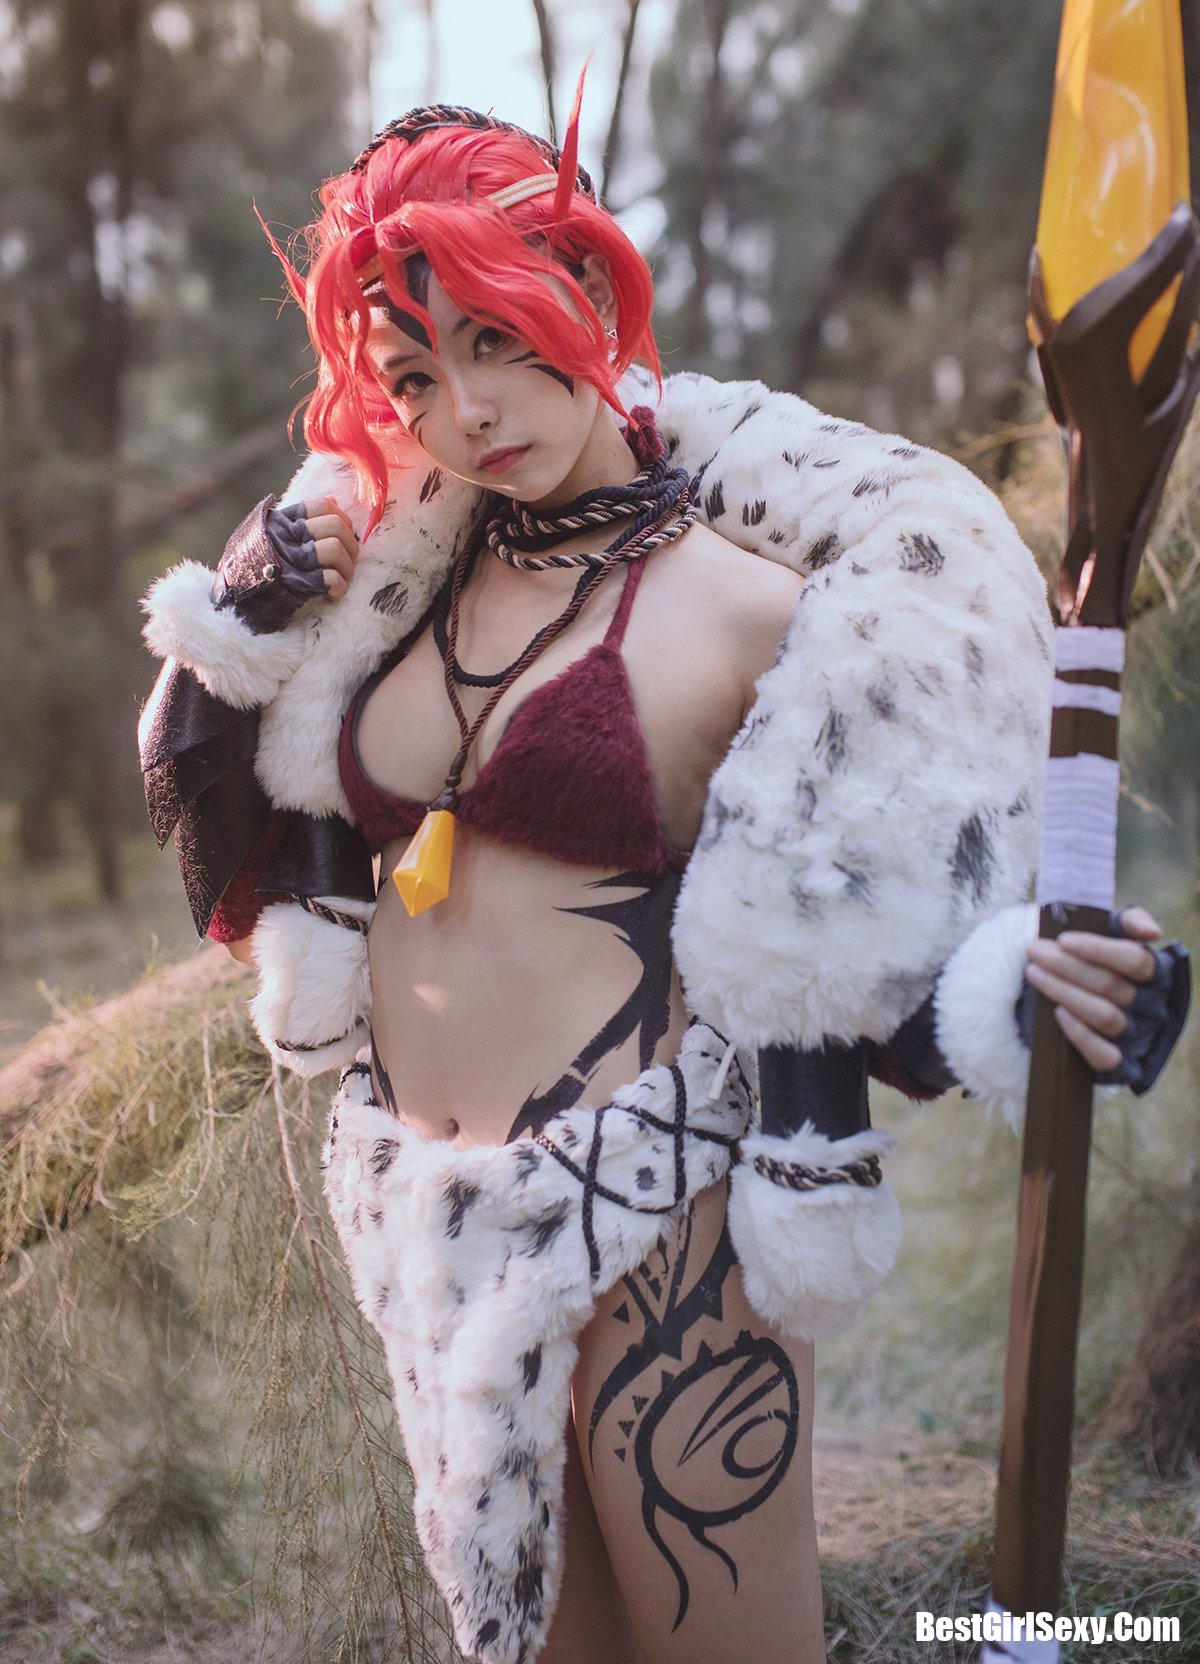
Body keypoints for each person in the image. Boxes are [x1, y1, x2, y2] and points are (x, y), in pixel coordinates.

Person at [138, 95, 1190, 1664]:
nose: (468, 409)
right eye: (415, 376)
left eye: (497, 339)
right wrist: (235, 621)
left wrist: (1048, 977)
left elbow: (867, 930)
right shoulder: (396, 583)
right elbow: (221, 795)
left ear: (581, 283)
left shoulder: (756, 607)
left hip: (656, 1230)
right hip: (423, 1228)